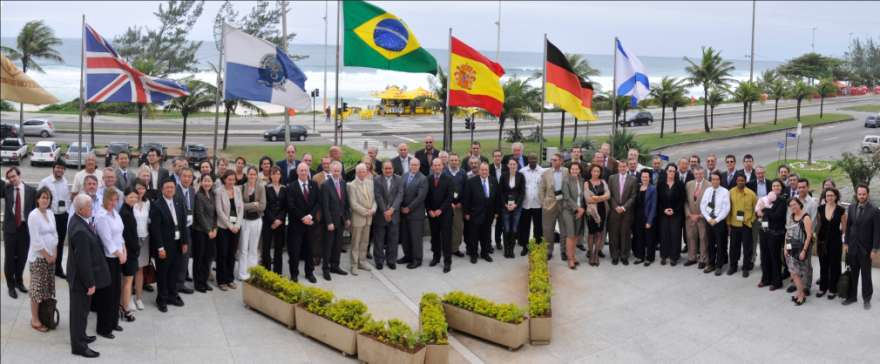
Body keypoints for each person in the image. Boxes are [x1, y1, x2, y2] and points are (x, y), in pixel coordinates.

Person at [67, 194, 110, 358]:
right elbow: (83, 261)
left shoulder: (78, 220)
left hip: (79, 277)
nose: (92, 209)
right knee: (78, 313)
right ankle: (78, 346)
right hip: (81, 280)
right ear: (80, 209)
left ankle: (81, 336)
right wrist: (90, 283)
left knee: (82, 311)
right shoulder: (80, 231)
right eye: (89, 207)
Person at [149, 178, 190, 312]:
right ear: (162, 189)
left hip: (178, 243)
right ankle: (161, 299)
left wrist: (184, 242)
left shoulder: (178, 202)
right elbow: (155, 229)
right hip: (165, 246)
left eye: (172, 187)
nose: (170, 190)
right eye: (167, 187)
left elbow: (183, 224)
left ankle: (173, 295)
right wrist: (160, 247)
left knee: (174, 271)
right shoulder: (157, 205)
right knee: (163, 273)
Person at [94, 188, 126, 337]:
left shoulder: (115, 214)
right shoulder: (101, 216)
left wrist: (123, 250)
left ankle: (113, 322)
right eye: (111, 200)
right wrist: (119, 254)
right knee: (107, 294)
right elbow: (107, 241)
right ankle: (103, 328)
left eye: (115, 200)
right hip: (108, 258)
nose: (113, 203)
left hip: (118, 257)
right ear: (105, 199)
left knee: (116, 292)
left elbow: (119, 235)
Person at [842, 184, 879, 309]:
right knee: (853, 274)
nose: (861, 196)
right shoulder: (851, 207)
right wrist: (846, 243)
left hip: (866, 249)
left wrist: (874, 249)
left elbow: (877, 232)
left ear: (867, 194)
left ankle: (867, 299)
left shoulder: (874, 210)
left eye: (864, 194)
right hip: (852, 247)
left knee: (866, 275)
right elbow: (848, 227)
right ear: (856, 194)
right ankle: (852, 297)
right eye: (859, 194)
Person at [26, 187, 58, 332]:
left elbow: (55, 234)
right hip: (39, 258)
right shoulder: (34, 215)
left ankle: (44, 315)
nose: (46, 200)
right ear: (38, 199)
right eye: (43, 197)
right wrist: (47, 256)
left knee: (47, 288)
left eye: (48, 198)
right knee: (37, 289)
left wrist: (55, 253)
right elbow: (36, 241)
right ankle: (35, 319)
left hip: (51, 257)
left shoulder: (50, 213)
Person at [4, 167, 36, 298]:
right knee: (10, 259)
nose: (12, 179)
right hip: (10, 229)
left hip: (24, 228)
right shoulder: (6, 189)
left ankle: (19, 281)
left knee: (22, 257)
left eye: (13, 176)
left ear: (19, 175)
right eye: (9, 177)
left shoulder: (31, 191)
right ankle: (10, 286)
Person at [38, 160, 70, 278]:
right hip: (49, 216)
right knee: (47, 242)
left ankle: (58, 268)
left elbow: (67, 199)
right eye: (58, 168)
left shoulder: (65, 182)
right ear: (53, 168)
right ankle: (46, 268)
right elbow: (39, 200)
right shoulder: (45, 182)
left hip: (62, 217)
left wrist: (66, 211)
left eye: (62, 168)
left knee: (59, 243)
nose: (60, 170)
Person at [287, 163, 319, 282]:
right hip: (296, 225)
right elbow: (291, 205)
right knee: (294, 251)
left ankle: (309, 273)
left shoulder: (314, 185)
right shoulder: (291, 187)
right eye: (301, 170)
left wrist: (310, 216)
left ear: (308, 171)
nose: (303, 172)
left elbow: (317, 202)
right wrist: (303, 218)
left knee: (310, 250)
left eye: (305, 170)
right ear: (297, 172)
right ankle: (294, 274)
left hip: (310, 224)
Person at [462, 163, 498, 263]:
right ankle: (474, 254)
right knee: (474, 235)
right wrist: (467, 213)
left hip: (489, 214)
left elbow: (497, 198)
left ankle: (485, 253)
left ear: (488, 171)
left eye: (486, 170)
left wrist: (496, 212)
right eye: (482, 170)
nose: (484, 172)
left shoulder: (493, 181)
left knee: (486, 235)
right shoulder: (471, 182)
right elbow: (466, 199)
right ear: (479, 171)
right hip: (475, 214)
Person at [321, 161, 351, 277]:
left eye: (338, 170)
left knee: (338, 245)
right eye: (334, 170)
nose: (336, 172)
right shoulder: (325, 185)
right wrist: (329, 222)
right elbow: (325, 206)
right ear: (330, 170)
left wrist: (347, 218)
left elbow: (345, 203)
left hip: (341, 220)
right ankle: (326, 269)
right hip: (331, 222)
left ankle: (335, 266)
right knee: (328, 246)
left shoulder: (343, 183)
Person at [815, 187, 846, 299]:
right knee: (823, 265)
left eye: (832, 195)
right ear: (825, 197)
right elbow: (818, 225)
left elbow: (844, 228)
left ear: (836, 197)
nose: (830, 197)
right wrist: (816, 239)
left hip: (835, 241)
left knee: (835, 265)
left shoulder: (841, 210)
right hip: (822, 241)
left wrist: (845, 243)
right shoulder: (820, 209)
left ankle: (833, 289)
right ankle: (823, 287)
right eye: (827, 195)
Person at [757, 180, 788, 290]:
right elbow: (758, 212)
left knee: (774, 257)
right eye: (774, 185)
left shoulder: (783, 200)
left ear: (781, 187)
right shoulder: (766, 198)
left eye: (778, 185)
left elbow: (777, 216)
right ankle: (766, 279)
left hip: (776, 233)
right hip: (764, 231)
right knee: (764, 256)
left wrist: (765, 209)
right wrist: (763, 211)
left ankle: (776, 282)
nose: (775, 187)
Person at [372, 161, 403, 270]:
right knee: (379, 240)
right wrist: (385, 211)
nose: (388, 170)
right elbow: (378, 196)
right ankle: (379, 261)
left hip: (394, 215)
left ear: (393, 169)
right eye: (386, 168)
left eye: (390, 168)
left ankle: (391, 260)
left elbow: (400, 195)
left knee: (393, 239)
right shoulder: (376, 180)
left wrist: (392, 209)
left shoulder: (399, 179)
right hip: (381, 215)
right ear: (382, 169)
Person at [398, 158, 428, 269]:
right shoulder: (405, 176)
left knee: (415, 238)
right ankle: (408, 256)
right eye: (412, 165)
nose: (414, 167)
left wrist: (408, 208)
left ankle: (417, 259)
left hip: (415, 214)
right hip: (403, 212)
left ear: (419, 166)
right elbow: (400, 192)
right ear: (409, 165)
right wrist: (401, 207)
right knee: (405, 237)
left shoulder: (423, 179)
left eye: (416, 165)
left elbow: (420, 197)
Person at [348, 163, 376, 275]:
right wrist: (366, 212)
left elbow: (374, 200)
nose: (362, 173)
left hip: (369, 218)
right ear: (356, 172)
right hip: (358, 218)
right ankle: (354, 265)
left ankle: (362, 261)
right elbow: (353, 204)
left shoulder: (370, 183)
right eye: (360, 171)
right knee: (355, 243)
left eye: (364, 171)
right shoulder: (352, 185)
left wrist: (373, 209)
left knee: (365, 242)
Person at [426, 159, 454, 271]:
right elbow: (426, 197)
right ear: (432, 167)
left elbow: (450, 197)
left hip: (445, 214)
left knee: (446, 238)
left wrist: (440, 210)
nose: (437, 167)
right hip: (433, 215)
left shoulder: (449, 179)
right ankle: (436, 257)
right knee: (435, 237)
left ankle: (447, 262)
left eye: (439, 165)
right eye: (435, 165)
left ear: (443, 166)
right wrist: (429, 210)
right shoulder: (428, 179)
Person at [726, 173, 757, 277]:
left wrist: (751, 221)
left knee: (747, 248)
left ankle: (746, 267)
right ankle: (733, 266)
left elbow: (755, 210)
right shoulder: (730, 193)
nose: (740, 182)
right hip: (734, 224)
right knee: (734, 247)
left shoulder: (751, 194)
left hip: (746, 225)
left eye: (742, 180)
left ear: (745, 181)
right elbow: (728, 209)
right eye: (739, 180)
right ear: (736, 181)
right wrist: (729, 223)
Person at [238, 167, 265, 281]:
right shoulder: (242, 187)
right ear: (247, 175)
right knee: (243, 248)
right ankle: (242, 273)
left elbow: (263, 206)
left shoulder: (261, 187)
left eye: (254, 174)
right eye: (250, 174)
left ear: (257, 176)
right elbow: (240, 205)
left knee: (253, 248)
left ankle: (252, 272)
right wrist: (253, 204)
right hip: (244, 221)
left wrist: (249, 206)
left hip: (257, 221)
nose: (252, 176)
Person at [701, 171, 731, 275]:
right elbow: (703, 206)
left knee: (720, 244)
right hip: (709, 221)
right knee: (710, 244)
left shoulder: (725, 191)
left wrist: (716, 220)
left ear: (720, 180)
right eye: (713, 179)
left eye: (717, 179)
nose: (715, 181)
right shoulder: (707, 191)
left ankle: (719, 265)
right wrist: (708, 218)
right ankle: (711, 264)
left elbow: (726, 208)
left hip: (719, 222)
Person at [607, 160, 637, 265]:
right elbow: (609, 194)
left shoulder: (633, 179)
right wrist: (616, 206)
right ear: (618, 167)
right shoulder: (612, 178)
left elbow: (633, 196)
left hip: (627, 212)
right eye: (621, 166)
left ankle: (624, 256)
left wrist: (624, 207)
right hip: (614, 211)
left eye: (624, 166)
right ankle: (614, 256)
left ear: (627, 167)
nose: (622, 168)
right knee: (613, 234)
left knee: (625, 234)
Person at [785, 198, 813, 306]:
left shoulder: (806, 217)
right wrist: (786, 248)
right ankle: (800, 293)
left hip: (801, 249)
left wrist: (804, 251)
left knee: (801, 272)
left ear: (799, 204)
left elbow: (809, 235)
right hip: (791, 248)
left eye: (794, 204)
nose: (793, 207)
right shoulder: (791, 217)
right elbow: (788, 233)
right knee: (793, 272)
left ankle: (801, 294)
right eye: (791, 205)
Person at [192, 174, 218, 292]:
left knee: (208, 258)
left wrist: (215, 228)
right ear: (201, 182)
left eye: (209, 181)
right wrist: (208, 230)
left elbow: (215, 214)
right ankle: (198, 283)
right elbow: (199, 215)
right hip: (201, 232)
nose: (207, 183)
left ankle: (204, 280)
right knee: (199, 257)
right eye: (205, 181)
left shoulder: (213, 195)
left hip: (211, 232)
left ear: (212, 183)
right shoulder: (198, 196)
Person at [657, 164, 686, 266]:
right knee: (664, 235)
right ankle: (664, 256)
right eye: (670, 171)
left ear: (675, 173)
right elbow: (658, 200)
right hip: (663, 213)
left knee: (675, 235)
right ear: (666, 171)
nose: (671, 173)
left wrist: (674, 210)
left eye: (673, 171)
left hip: (676, 214)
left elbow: (682, 200)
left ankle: (674, 257)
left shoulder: (680, 184)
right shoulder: (660, 184)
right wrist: (664, 210)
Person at [118, 188, 140, 321]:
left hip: (129, 251)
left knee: (125, 281)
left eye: (135, 197)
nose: (133, 199)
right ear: (125, 197)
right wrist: (136, 248)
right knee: (128, 281)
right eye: (131, 197)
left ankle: (122, 305)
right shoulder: (125, 213)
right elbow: (127, 235)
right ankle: (125, 309)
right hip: (129, 252)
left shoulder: (128, 210)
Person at [130, 179, 151, 308]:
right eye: (138, 188)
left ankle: (138, 298)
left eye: (143, 188)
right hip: (133, 240)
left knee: (140, 269)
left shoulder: (148, 203)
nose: (140, 191)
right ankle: (129, 298)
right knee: (131, 270)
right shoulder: (131, 203)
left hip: (145, 239)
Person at [174, 167, 196, 294]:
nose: (187, 179)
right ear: (180, 177)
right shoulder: (175, 190)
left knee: (185, 257)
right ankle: (174, 285)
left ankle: (181, 283)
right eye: (184, 176)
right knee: (177, 258)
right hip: (177, 230)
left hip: (188, 229)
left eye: (189, 177)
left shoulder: (192, 190)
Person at [559, 162, 585, 269]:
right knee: (570, 234)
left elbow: (583, 197)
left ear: (580, 170)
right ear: (569, 170)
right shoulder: (566, 180)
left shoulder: (582, 180)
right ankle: (570, 259)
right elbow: (566, 196)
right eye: (573, 169)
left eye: (577, 169)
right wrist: (577, 208)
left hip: (580, 211)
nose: (575, 171)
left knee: (576, 235)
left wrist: (582, 209)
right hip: (569, 210)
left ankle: (573, 256)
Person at [499, 158, 525, 258]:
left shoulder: (521, 176)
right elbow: (500, 192)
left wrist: (516, 205)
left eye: (514, 164)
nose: (513, 166)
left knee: (514, 229)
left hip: (516, 207)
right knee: (507, 229)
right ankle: (506, 250)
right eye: (511, 164)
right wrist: (505, 204)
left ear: (517, 166)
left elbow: (522, 193)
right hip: (505, 206)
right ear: (508, 165)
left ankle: (512, 250)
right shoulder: (503, 176)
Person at [262, 166, 286, 274]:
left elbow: (285, 207)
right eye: (273, 173)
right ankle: (266, 270)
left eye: (278, 173)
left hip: (280, 223)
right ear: (270, 176)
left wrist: (279, 220)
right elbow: (265, 207)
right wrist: (273, 220)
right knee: (266, 247)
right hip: (268, 222)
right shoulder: (266, 188)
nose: (276, 175)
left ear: (280, 175)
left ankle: (277, 272)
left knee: (278, 248)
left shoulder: (285, 188)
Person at [523, 153, 549, 256]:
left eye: (534, 159)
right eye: (530, 159)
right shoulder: (523, 171)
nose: (532, 161)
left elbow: (546, 187)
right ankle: (525, 246)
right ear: (528, 160)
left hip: (538, 204)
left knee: (538, 227)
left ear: (537, 160)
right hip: (526, 204)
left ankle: (537, 246)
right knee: (525, 227)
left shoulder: (543, 172)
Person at [684, 166, 710, 267]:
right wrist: (689, 214)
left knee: (703, 238)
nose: (698, 176)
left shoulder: (709, 185)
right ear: (693, 174)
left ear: (703, 173)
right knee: (691, 237)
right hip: (690, 216)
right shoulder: (688, 184)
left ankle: (703, 259)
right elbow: (685, 201)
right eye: (696, 174)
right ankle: (692, 257)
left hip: (702, 217)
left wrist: (701, 215)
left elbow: (710, 203)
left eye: (700, 174)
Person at [584, 164, 610, 266]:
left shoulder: (603, 182)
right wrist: (601, 198)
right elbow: (588, 198)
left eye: (598, 171)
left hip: (602, 210)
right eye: (594, 171)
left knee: (599, 233)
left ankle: (596, 254)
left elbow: (608, 195)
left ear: (600, 173)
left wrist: (596, 198)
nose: (596, 173)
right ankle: (590, 253)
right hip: (591, 211)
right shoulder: (586, 183)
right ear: (591, 172)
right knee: (591, 233)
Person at [632, 169, 657, 265]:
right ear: (640, 177)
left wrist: (650, 221)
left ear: (649, 178)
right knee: (639, 236)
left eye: (646, 177)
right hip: (638, 216)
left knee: (649, 238)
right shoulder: (638, 187)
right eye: (643, 177)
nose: (644, 178)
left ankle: (650, 258)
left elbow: (654, 206)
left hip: (648, 216)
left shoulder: (653, 188)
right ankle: (640, 256)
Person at [445, 154, 468, 257]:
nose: (454, 162)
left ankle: (455, 249)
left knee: (458, 228)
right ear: (449, 161)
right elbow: (442, 190)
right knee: (446, 228)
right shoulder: (444, 172)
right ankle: (446, 248)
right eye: (452, 160)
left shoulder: (463, 173)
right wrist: (448, 202)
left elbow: (466, 189)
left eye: (456, 160)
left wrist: (461, 202)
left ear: (459, 161)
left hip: (458, 206)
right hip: (446, 205)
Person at [489, 150, 505, 250]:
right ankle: (489, 243)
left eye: (499, 156)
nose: (497, 158)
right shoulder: (489, 168)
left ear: (502, 157)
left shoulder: (506, 168)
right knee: (489, 222)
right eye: (495, 156)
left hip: (503, 200)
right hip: (492, 199)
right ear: (493, 157)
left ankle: (498, 241)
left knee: (500, 222)